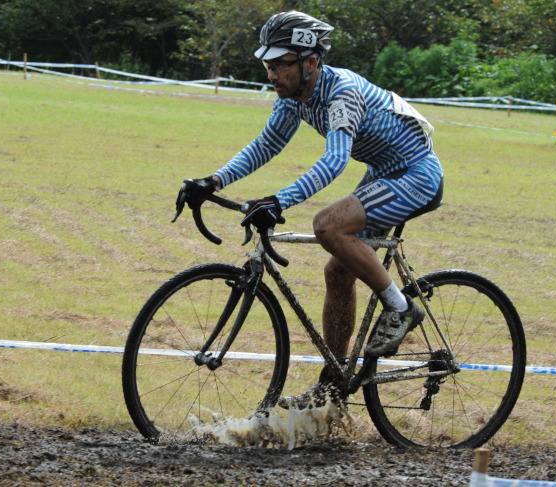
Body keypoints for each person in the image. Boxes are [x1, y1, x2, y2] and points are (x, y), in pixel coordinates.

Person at [178, 10, 443, 409]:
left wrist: (280, 200)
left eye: (280, 65)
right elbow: (266, 145)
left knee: (328, 226)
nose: (272, 75)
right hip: (384, 172)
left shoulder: (342, 93)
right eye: (267, 65)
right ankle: (334, 383)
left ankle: (401, 308)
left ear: (311, 62)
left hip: (416, 175)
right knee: (338, 270)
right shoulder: (295, 95)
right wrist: (212, 182)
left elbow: (335, 160)